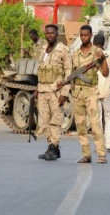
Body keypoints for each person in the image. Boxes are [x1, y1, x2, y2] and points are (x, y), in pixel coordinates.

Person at [69, 25, 108, 164]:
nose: (83, 37)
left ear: (91, 35)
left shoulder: (97, 52)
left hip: (91, 92)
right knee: (80, 125)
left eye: (86, 35)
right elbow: (71, 73)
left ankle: (101, 154)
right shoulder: (75, 53)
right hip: (77, 92)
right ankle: (86, 154)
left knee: (95, 124)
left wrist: (103, 60)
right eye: (81, 35)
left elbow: (105, 73)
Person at [35, 24, 72, 161]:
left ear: (57, 34)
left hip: (56, 92)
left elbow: (68, 73)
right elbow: (41, 70)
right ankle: (52, 147)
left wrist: (64, 93)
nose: (49, 35)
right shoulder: (44, 49)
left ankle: (54, 145)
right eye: (47, 33)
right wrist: (37, 89)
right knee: (44, 121)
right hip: (43, 90)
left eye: (52, 33)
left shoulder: (63, 50)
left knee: (55, 121)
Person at [93, 34, 110, 152]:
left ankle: (99, 145)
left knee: (96, 118)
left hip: (93, 89)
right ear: (104, 43)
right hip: (106, 88)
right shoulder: (109, 54)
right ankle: (109, 145)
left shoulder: (89, 55)